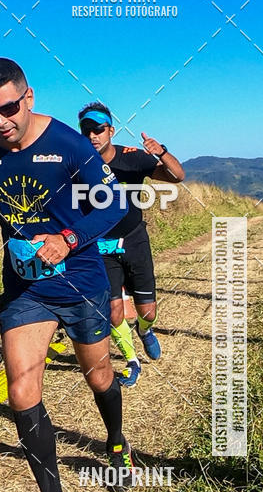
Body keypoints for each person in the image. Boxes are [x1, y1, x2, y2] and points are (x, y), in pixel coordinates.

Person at [0, 58, 133, 492]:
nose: (1, 122)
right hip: (25, 287)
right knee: (20, 388)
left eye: (9, 109)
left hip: (79, 278)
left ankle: (116, 439)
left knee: (98, 374)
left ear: (28, 98)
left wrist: (69, 237)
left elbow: (113, 204)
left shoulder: (68, 145)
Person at [78, 102, 185, 385]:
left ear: (110, 130)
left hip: (135, 240)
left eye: (98, 129)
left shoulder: (132, 158)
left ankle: (146, 330)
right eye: (86, 130)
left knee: (147, 310)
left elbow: (178, 176)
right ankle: (131, 361)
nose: (92, 136)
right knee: (113, 312)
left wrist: (160, 151)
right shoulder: (78, 162)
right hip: (101, 246)